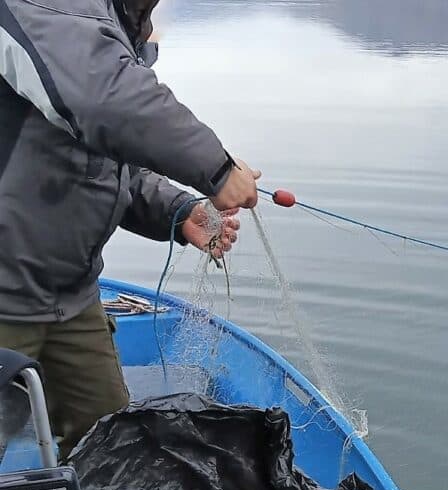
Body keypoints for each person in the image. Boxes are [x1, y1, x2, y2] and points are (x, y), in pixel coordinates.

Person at [0, 0, 260, 457]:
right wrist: (216, 169)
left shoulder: (117, 20)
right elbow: (103, 98)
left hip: (70, 296)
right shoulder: (47, 7)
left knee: (112, 450)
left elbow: (102, 165)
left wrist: (180, 213)